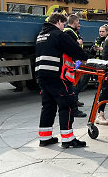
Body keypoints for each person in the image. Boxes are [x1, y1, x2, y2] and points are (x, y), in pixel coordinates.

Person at [35, 12, 88, 148]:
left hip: (42, 76)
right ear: (58, 21)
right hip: (58, 77)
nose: (63, 27)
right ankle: (68, 139)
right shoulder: (58, 35)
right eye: (63, 24)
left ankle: (45, 138)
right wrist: (84, 56)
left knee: (48, 106)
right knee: (67, 105)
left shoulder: (41, 36)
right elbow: (75, 50)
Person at [63, 14, 88, 117]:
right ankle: (74, 109)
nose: (79, 24)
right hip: (72, 63)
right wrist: (78, 43)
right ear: (74, 22)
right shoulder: (69, 32)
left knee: (76, 83)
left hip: (73, 62)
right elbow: (73, 47)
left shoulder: (72, 32)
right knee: (73, 85)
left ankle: (75, 101)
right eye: (78, 22)